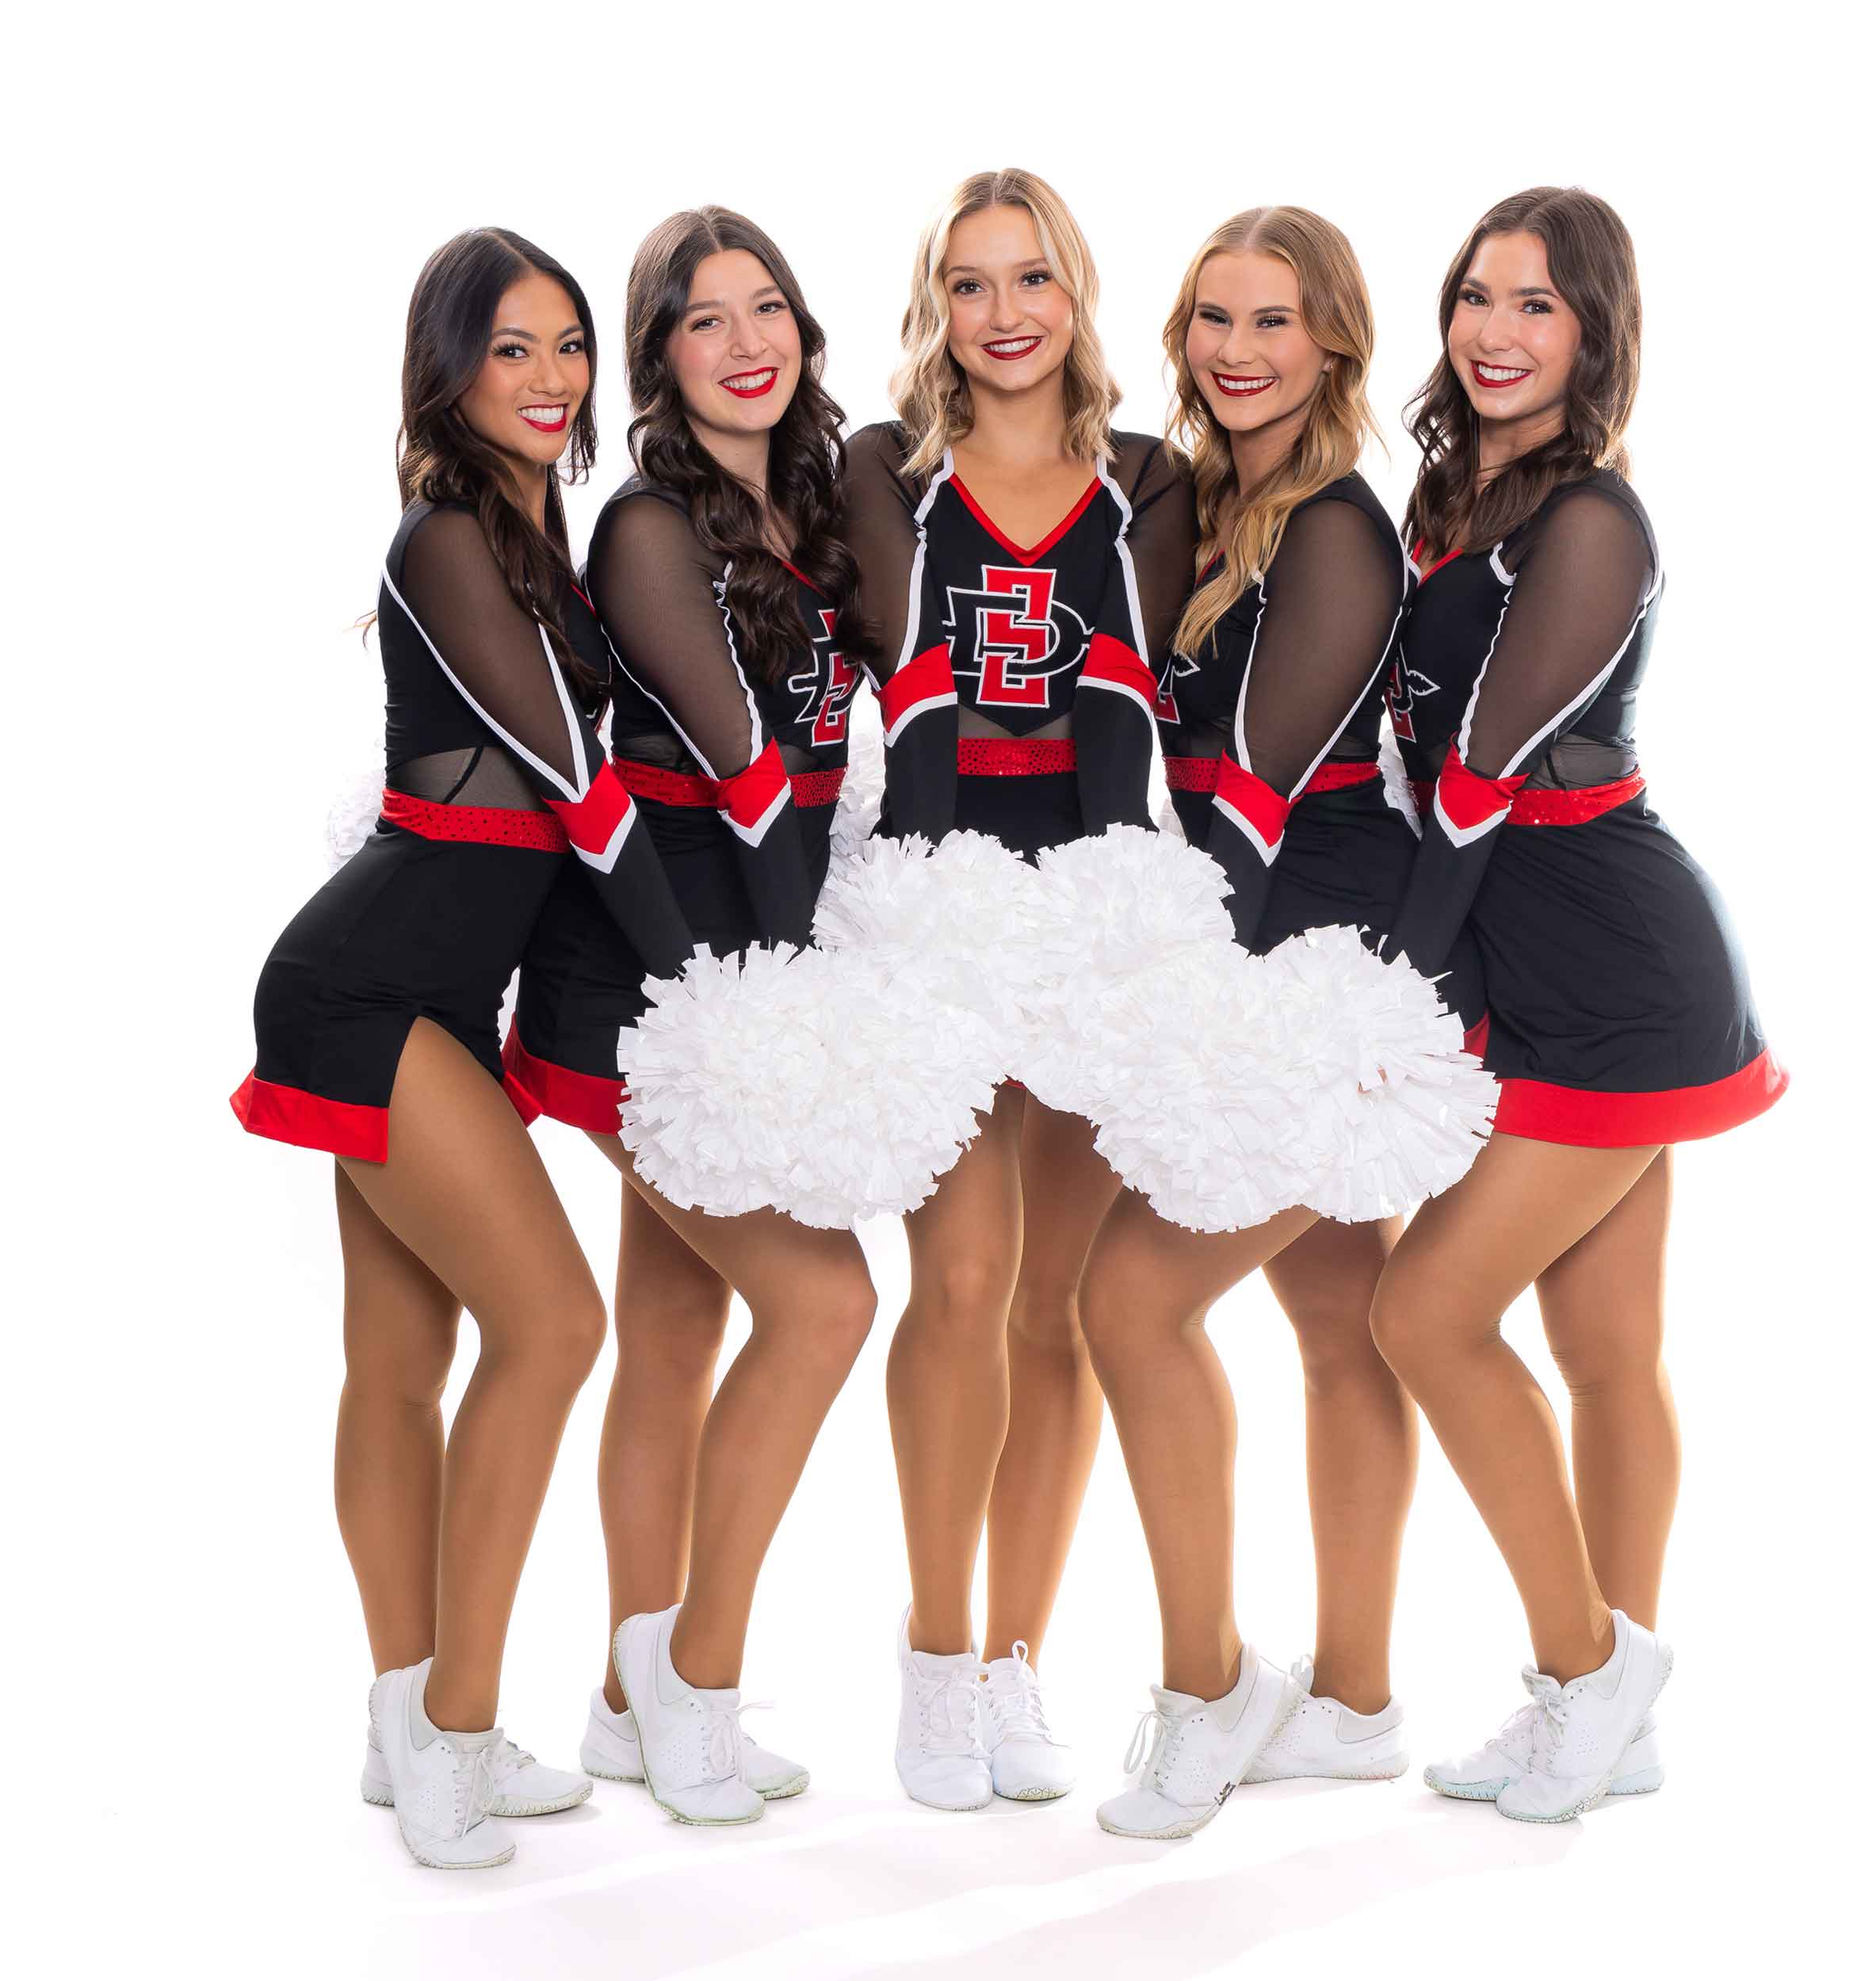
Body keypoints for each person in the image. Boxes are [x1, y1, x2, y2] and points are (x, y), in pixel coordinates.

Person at [231, 228, 694, 1868]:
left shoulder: (537, 536)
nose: (552, 376)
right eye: (511, 347)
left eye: (567, 344)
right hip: (365, 989)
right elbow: (575, 780)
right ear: (449, 368)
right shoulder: (442, 538)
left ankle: (400, 1718)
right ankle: (450, 1732)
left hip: (441, 1003)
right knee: (553, 1322)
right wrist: (702, 970)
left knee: (407, 1361)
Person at [1371, 185, 1786, 1823]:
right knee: (1601, 1340)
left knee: (1423, 1313)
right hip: (1522, 953)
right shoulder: (1441, 489)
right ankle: (1609, 1702)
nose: (1493, 329)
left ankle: (1584, 1672)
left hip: (1614, 960)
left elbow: (1474, 781)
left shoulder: (1590, 515)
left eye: (1535, 305)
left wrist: (1390, 985)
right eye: (1476, 295)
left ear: (1591, 332)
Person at [1078, 207, 1468, 1840]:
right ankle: (1359, 1701)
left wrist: (1154, 993)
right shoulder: (1202, 502)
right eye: (1211, 320)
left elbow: (1242, 797)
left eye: (1273, 324)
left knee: (1124, 1300)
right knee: (1340, 1322)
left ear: (1333, 348)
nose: (1236, 351)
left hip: (1311, 965)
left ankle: (1207, 1681)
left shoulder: (1332, 530)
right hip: (1260, 949)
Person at [498, 208, 879, 1826]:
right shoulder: (646, 525)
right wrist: (799, 1012)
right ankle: (696, 1676)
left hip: (740, 965)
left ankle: (615, 1702)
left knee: (672, 1331)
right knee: (826, 1305)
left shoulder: (807, 507)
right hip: (648, 989)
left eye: (768, 307)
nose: (745, 342)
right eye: (700, 319)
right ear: (655, 357)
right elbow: (738, 783)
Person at [841, 167, 1193, 1809]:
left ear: (1076, 293)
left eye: (1030, 278)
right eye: (968, 283)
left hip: (1102, 912)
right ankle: (927, 1656)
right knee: (961, 1279)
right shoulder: (882, 472)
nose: (1002, 313)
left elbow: (1154, 723)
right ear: (937, 306)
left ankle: (1014, 1662)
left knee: (1054, 1300)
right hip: (939, 906)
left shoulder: (1147, 477)